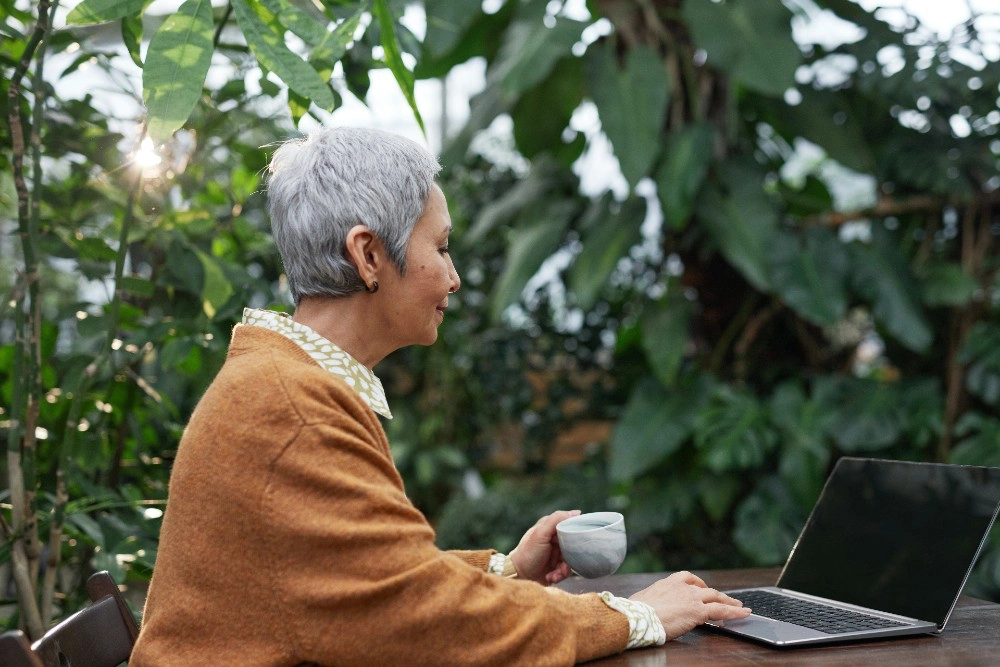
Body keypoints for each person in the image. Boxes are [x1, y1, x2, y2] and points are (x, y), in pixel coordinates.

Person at [130, 127, 750, 666]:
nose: (453, 276)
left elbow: (365, 581)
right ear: (368, 254)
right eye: (442, 246)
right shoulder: (290, 409)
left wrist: (504, 569)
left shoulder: (285, 382)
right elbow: (426, 621)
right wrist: (634, 617)